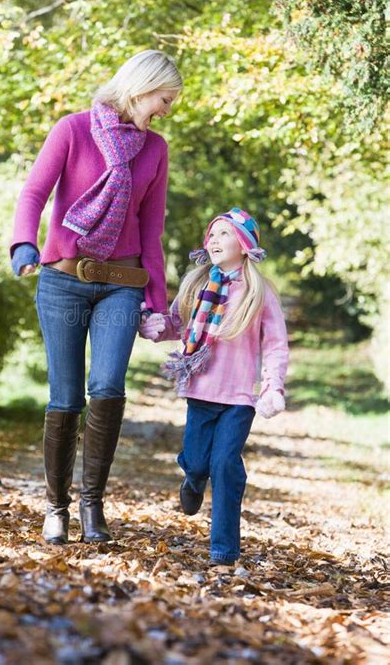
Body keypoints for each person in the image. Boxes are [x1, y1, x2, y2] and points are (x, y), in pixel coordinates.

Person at [10, 50, 182, 545]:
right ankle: (56, 507)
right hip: (62, 279)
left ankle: (92, 507)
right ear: (141, 87)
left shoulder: (156, 149)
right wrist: (24, 243)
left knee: (107, 388)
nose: (167, 109)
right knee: (64, 397)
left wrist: (155, 299)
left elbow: (152, 229)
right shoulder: (74, 129)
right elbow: (33, 194)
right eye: (165, 98)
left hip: (121, 286)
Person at [139, 207, 289, 566]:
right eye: (213, 234)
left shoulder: (258, 292)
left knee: (225, 465)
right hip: (200, 390)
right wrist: (158, 327)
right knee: (197, 460)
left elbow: (275, 344)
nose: (214, 240)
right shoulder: (198, 283)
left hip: (238, 398)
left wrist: (273, 387)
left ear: (244, 243)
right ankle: (192, 479)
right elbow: (178, 323)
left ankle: (224, 549)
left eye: (224, 234)